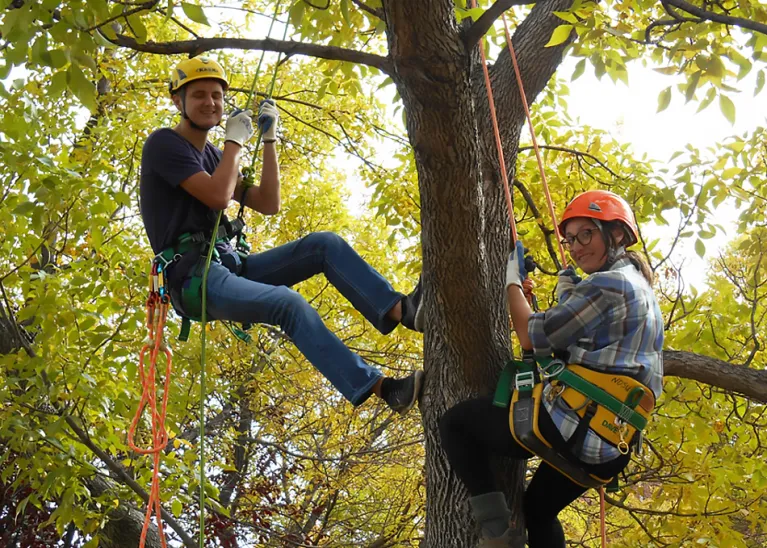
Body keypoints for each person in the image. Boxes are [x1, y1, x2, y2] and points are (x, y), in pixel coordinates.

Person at [139, 56, 425, 415]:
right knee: (288, 304)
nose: (210, 103)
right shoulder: (164, 145)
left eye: (216, 95)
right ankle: (384, 389)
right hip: (194, 277)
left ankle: (402, 310)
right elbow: (217, 195)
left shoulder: (214, 156)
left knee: (325, 245)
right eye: (199, 95)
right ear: (176, 100)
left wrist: (269, 139)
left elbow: (267, 202)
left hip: (230, 265)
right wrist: (235, 143)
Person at [438, 190, 664, 547]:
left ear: (617, 234)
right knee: (538, 511)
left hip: (573, 426)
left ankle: (496, 534)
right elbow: (578, 342)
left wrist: (511, 282)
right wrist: (568, 292)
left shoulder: (610, 285)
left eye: (585, 234)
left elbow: (530, 336)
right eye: (570, 239)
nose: (575, 247)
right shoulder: (642, 291)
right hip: (611, 444)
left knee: (456, 423)